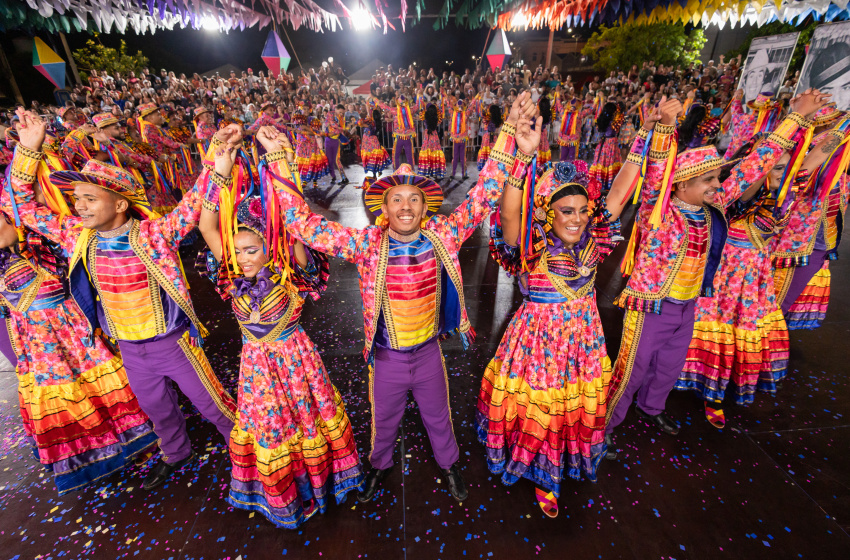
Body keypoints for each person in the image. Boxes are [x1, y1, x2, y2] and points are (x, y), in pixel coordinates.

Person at [265, 92, 538, 505]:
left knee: (439, 418)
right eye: (397, 199)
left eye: (414, 198)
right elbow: (302, 224)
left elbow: (485, 193)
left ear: (426, 206)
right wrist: (279, 162)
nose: (406, 206)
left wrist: (507, 133)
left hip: (429, 354)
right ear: (384, 208)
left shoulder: (442, 234)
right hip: (387, 358)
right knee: (384, 421)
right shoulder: (366, 244)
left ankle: (449, 465)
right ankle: (379, 466)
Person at [7, 109, 238, 491]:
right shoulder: (77, 236)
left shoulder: (153, 234)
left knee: (213, 405)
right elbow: (24, 208)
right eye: (76, 198)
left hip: (173, 343)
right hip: (129, 347)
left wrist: (217, 155)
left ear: (119, 205)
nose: (78, 206)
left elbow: (194, 203)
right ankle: (176, 453)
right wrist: (28, 151)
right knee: (157, 411)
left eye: (88, 198)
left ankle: (246, 453)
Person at [604, 91, 824, 451]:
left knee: (670, 365)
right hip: (652, 306)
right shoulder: (658, 211)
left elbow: (755, 164)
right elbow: (657, 170)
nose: (716, 185)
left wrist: (796, 117)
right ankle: (607, 426)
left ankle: (652, 407)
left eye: (716, 178)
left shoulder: (714, 204)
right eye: (707, 180)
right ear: (681, 185)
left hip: (689, 303)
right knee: (632, 370)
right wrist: (666, 125)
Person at [196, 133, 364, 528]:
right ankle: (286, 493)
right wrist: (220, 169)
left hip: (295, 362)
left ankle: (316, 486)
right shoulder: (232, 274)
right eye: (235, 252)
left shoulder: (289, 270)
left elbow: (296, 224)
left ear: (270, 247)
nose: (242, 258)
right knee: (272, 429)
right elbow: (206, 226)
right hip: (256, 368)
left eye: (251, 250)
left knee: (305, 422)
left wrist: (279, 163)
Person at [479, 119, 638, 516]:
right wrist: (524, 155)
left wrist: (650, 134)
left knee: (573, 404)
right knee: (543, 407)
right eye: (566, 210)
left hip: (583, 343)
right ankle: (543, 474)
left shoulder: (595, 240)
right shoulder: (530, 248)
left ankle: (570, 455)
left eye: (584, 210)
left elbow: (619, 191)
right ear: (547, 213)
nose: (578, 218)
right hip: (539, 345)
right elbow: (510, 210)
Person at [0, 209, 158, 494]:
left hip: (74, 330)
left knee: (102, 388)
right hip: (42, 348)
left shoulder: (44, 244)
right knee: (64, 396)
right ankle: (93, 458)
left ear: (15, 219)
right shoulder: (6, 260)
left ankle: (133, 443)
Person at [359, 111, 391, 179]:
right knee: (374, 157)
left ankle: (375, 174)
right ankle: (375, 173)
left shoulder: (370, 123)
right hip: (370, 141)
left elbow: (360, 124)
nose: (367, 116)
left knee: (372, 157)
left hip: (369, 141)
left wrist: (360, 120)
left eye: (369, 115)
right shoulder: (373, 122)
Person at [323, 104, 350, 185]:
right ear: (336, 109)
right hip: (328, 139)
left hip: (336, 140)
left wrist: (341, 129)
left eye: (342, 113)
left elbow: (339, 128)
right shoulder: (330, 114)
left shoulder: (341, 118)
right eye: (340, 112)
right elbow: (333, 124)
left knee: (337, 160)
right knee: (329, 159)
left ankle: (344, 178)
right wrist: (342, 128)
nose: (341, 114)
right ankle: (333, 176)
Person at [418, 103, 446, 180]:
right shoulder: (437, 117)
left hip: (427, 136)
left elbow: (421, 113)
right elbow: (441, 111)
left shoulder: (424, 116)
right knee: (435, 153)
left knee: (426, 154)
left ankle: (426, 172)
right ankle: (434, 173)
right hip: (434, 136)